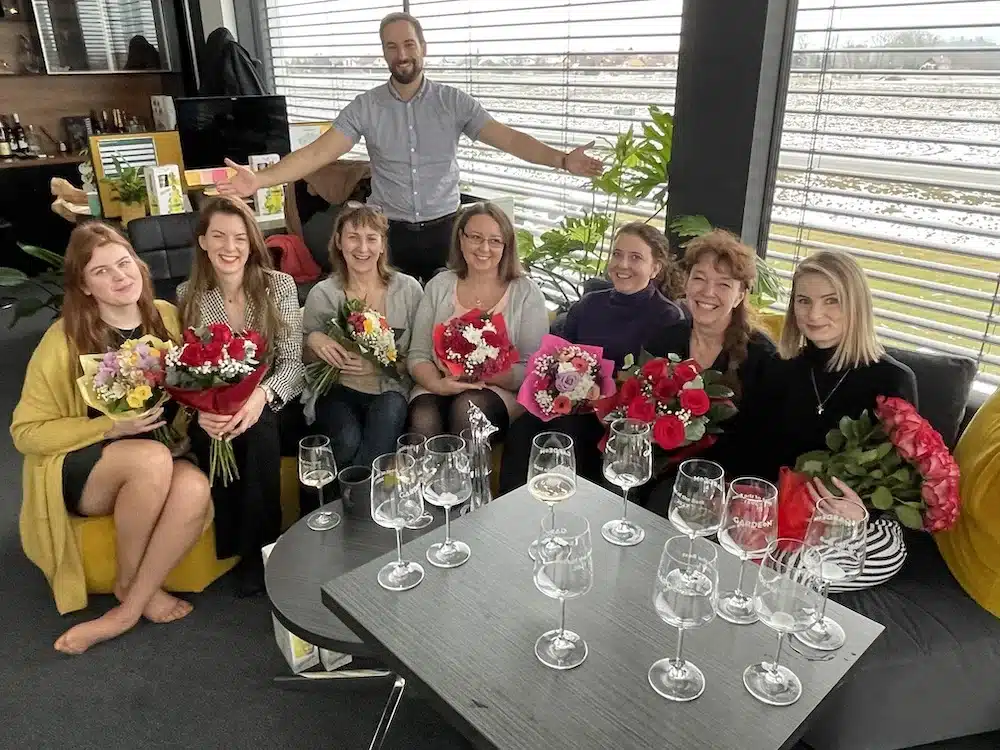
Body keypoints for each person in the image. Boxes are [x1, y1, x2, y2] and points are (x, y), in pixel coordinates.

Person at [216, 11, 602, 283]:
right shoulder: (366, 106)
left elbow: (509, 138)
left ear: (423, 47)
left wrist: (562, 160)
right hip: (390, 233)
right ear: (384, 52)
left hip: (446, 232)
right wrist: (259, 180)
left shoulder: (453, 102)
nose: (401, 55)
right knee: (392, 326)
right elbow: (318, 153)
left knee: (446, 320)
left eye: (408, 44)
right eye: (391, 47)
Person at [11, 222, 213, 655]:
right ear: (84, 286)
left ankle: (127, 607)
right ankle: (129, 579)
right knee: (150, 459)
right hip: (88, 469)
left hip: (162, 453)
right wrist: (108, 428)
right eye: (101, 271)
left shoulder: (167, 315)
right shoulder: (63, 339)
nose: (120, 277)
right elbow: (25, 433)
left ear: (139, 265)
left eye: (124, 263)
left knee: (194, 488)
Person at [498, 222, 685, 494]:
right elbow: (559, 356)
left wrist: (605, 394)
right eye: (617, 254)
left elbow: (660, 385)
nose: (623, 264)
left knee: (565, 434)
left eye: (635, 257)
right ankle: (510, 511)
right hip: (570, 405)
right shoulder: (588, 304)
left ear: (655, 268)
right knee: (522, 429)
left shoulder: (667, 317)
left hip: (619, 420)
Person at [178, 196, 303, 597]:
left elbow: (292, 364)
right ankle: (232, 547)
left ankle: (260, 551)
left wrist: (259, 397)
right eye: (218, 236)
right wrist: (203, 412)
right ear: (203, 242)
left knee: (258, 427)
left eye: (239, 238)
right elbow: (189, 369)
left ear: (251, 243)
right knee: (212, 433)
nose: (229, 247)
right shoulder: (189, 294)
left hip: (275, 401)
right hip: (215, 406)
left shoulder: (278, 286)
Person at [634, 230, 776, 509]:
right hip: (661, 469)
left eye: (723, 284)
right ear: (687, 283)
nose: (708, 292)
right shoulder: (665, 338)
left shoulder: (762, 357)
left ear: (740, 295)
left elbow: (763, 448)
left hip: (726, 487)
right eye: (699, 278)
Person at [406, 201, 548, 440]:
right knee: (423, 417)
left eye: (495, 240)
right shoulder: (439, 286)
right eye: (475, 237)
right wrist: (438, 384)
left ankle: (470, 467)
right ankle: (424, 467)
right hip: (439, 383)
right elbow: (418, 355)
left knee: (468, 410)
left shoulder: (526, 292)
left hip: (497, 391)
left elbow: (533, 367)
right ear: (461, 239)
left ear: (506, 246)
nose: (484, 248)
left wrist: (486, 373)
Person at [302, 203, 423, 469]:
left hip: (390, 389)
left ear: (382, 244)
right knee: (346, 440)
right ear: (339, 242)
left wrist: (377, 365)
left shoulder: (409, 290)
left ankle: (352, 494)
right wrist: (313, 340)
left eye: (371, 238)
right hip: (336, 389)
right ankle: (359, 493)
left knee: (385, 424)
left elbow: (420, 356)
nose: (362, 248)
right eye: (353, 237)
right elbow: (306, 360)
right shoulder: (323, 293)